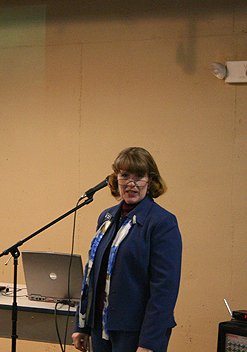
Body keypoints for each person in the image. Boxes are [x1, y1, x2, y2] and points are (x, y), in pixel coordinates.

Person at [72, 147, 182, 352]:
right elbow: (92, 273)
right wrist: (82, 323)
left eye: (139, 176)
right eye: (124, 176)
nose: (131, 183)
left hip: (136, 333)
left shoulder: (162, 222)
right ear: (116, 180)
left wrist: (149, 343)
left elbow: (164, 290)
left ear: (150, 181)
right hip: (100, 327)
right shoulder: (107, 218)